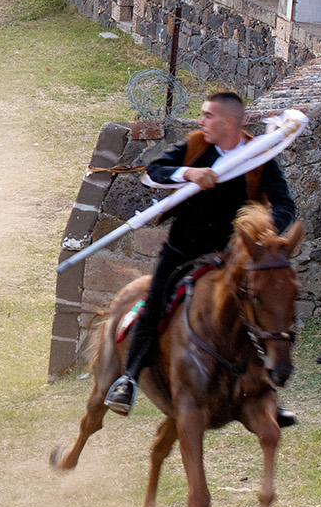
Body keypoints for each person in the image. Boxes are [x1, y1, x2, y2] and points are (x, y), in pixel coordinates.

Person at [103, 92, 298, 423]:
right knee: (154, 306)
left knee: (255, 312)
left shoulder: (259, 157)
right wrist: (189, 174)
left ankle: (266, 397)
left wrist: (265, 229)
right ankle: (128, 379)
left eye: (208, 115)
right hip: (183, 251)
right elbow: (153, 172)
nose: (201, 121)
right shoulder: (195, 148)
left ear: (229, 122)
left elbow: (284, 204)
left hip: (230, 256)